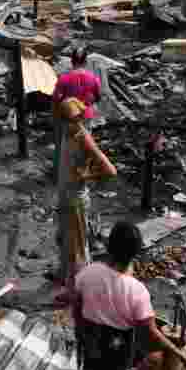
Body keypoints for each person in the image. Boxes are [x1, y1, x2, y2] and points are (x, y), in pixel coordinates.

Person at [64, 222, 186, 370]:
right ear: (135, 254)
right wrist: (182, 356)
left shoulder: (89, 272)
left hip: (89, 345)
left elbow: (76, 305)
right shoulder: (137, 291)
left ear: (108, 247)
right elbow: (152, 333)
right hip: (116, 354)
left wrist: (81, 331)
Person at [56, 97, 116, 284]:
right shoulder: (66, 133)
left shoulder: (83, 136)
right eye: (69, 120)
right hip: (65, 195)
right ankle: (67, 280)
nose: (72, 124)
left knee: (78, 248)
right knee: (64, 241)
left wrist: (86, 176)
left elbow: (110, 170)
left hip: (76, 198)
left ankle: (82, 288)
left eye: (76, 120)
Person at [51, 48, 103, 179]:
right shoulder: (94, 78)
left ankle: (60, 174)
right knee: (85, 145)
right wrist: (86, 102)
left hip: (68, 118)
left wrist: (58, 114)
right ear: (85, 61)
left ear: (71, 61)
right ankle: (81, 173)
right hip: (86, 117)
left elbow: (56, 99)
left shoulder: (64, 78)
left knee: (65, 146)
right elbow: (98, 97)